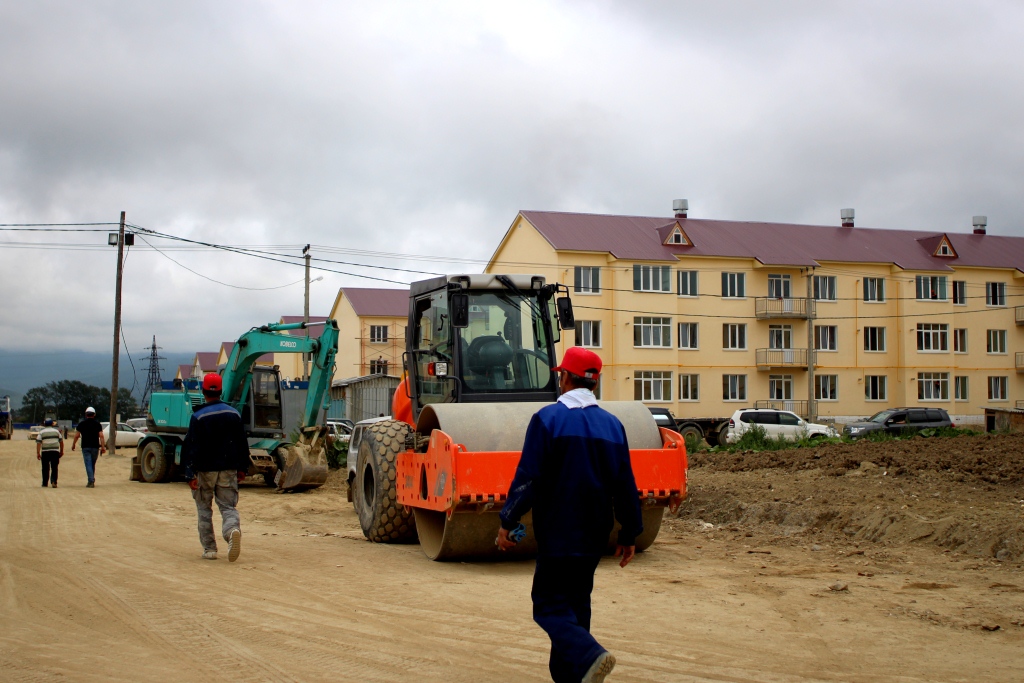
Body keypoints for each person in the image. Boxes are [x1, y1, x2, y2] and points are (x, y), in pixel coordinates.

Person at [497, 347, 642, 683]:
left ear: (564, 378)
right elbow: (625, 484)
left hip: (558, 532)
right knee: (576, 606)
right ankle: (575, 676)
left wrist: (508, 520)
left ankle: (590, 655)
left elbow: (529, 477)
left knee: (547, 605)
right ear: (595, 382)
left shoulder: (548, 419)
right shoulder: (613, 426)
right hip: (594, 535)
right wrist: (629, 533)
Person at [181, 373, 250, 562]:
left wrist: (190, 474)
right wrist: (242, 468)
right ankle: (232, 530)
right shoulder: (234, 414)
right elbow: (242, 443)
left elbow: (191, 446)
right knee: (228, 507)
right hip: (228, 469)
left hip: (204, 470)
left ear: (204, 392)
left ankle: (210, 549)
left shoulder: (198, 416)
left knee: (204, 509)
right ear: (221, 391)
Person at [71, 407, 106, 488]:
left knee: (88, 464)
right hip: (95, 447)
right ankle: (91, 479)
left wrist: (73, 444)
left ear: (86, 414)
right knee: (92, 464)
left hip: (85, 447)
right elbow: (101, 436)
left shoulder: (82, 424)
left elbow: (76, 436)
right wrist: (103, 447)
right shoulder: (97, 424)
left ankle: (91, 481)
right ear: (94, 414)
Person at [36, 418, 64, 488]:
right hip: (55, 452)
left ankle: (45, 483)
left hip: (45, 452)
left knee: (45, 468)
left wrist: (38, 453)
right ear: (52, 424)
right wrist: (61, 451)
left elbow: (39, 443)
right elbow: (61, 442)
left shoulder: (41, 432)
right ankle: (54, 481)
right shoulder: (57, 432)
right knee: (54, 467)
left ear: (44, 424)